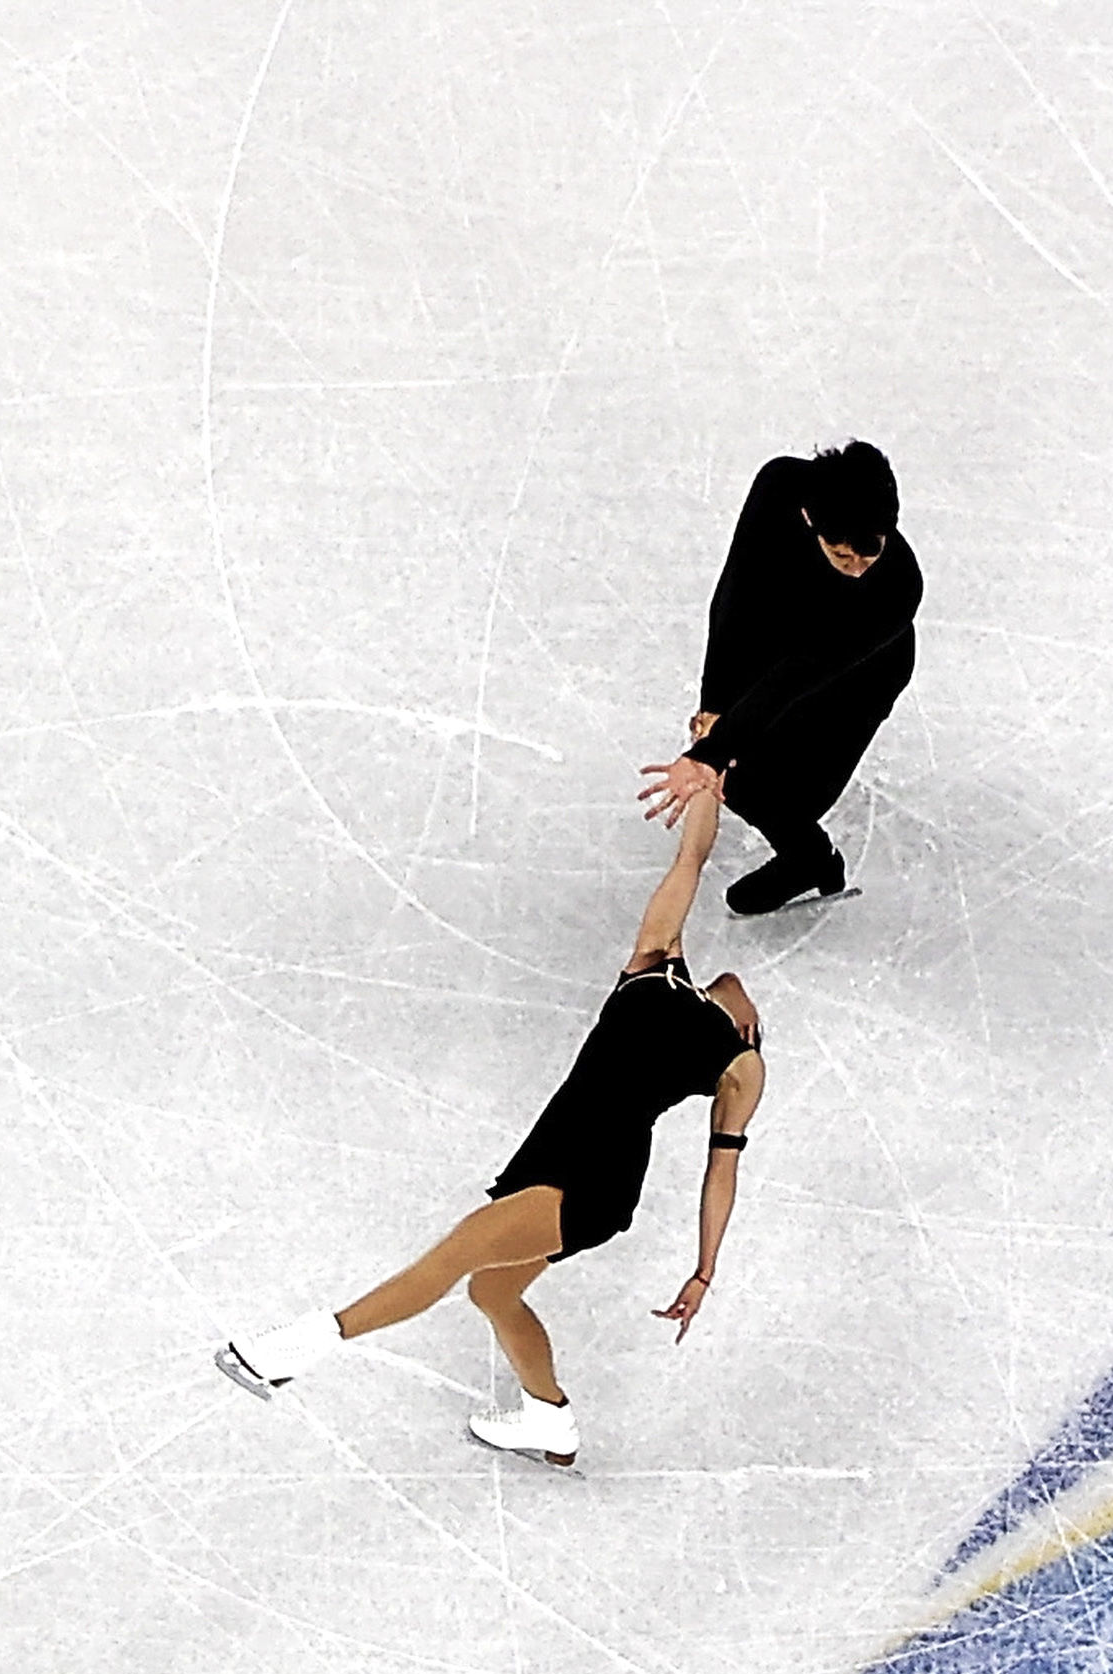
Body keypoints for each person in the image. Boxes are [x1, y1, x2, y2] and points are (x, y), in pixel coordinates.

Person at [219, 772, 764, 1471]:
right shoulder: (657, 963)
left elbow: (724, 1168)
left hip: (594, 1177)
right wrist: (706, 776)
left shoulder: (725, 1047)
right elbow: (690, 855)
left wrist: (704, 1271)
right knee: (492, 1288)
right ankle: (548, 1417)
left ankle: (287, 1354)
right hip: (554, 1151)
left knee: (453, 1259)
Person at [636, 440, 921, 917]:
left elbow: (801, 674)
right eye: (841, 556)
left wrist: (710, 750)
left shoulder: (897, 588)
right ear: (811, 520)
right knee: (737, 771)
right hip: (784, 636)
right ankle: (807, 854)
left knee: (770, 785)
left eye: (867, 560)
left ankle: (811, 859)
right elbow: (736, 593)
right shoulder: (780, 486)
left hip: (861, 671)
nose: (855, 573)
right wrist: (714, 706)